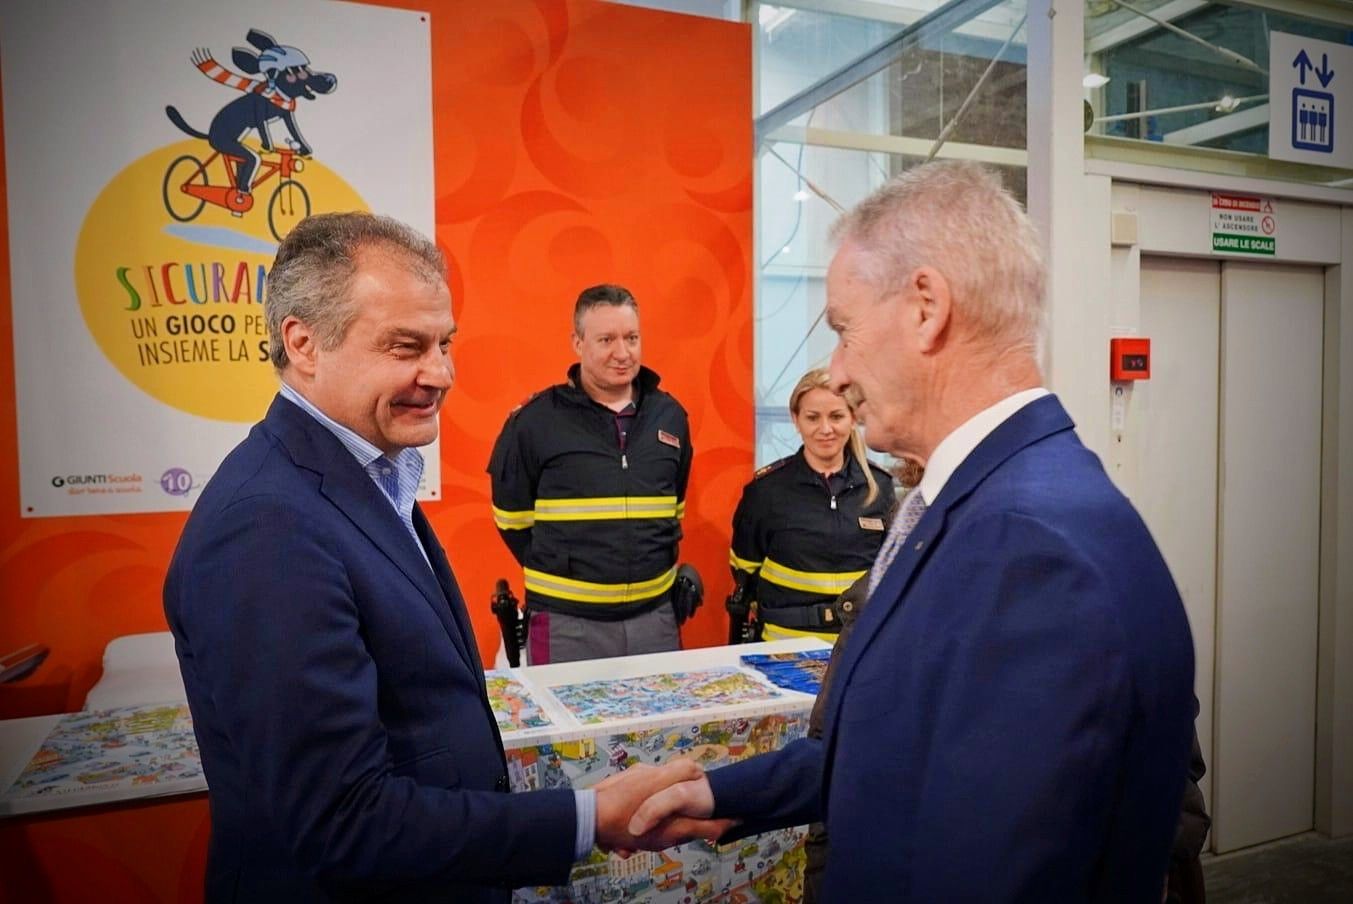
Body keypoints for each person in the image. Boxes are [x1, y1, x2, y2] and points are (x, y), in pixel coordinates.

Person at [626, 160, 1198, 903]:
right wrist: (723, 793)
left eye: (843, 330)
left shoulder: (1028, 548)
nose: (836, 369)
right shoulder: (974, 504)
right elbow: (900, 747)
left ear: (926, 309)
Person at [163, 213, 694, 903]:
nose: (441, 374)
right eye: (406, 346)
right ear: (303, 343)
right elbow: (341, 820)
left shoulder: (364, 474)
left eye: (445, 344)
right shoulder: (264, 527)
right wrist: (586, 819)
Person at [488, 284, 692, 664]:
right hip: (567, 624)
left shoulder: (671, 417)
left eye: (632, 338)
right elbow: (512, 522)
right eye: (606, 339)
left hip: (656, 620)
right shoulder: (533, 423)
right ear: (578, 343)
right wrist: (569, 574)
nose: (623, 352)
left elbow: (673, 509)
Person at [728, 368, 894, 642]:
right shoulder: (765, 491)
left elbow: (891, 569)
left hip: (860, 642)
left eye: (836, 416)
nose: (825, 429)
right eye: (812, 417)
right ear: (796, 420)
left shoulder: (881, 487)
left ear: (853, 418)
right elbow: (745, 571)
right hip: (783, 644)